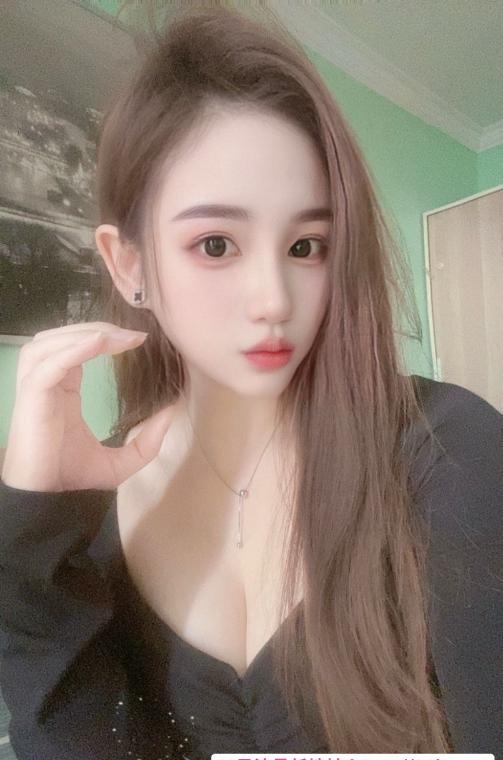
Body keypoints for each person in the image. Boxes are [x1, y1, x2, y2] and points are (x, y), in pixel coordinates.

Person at [0, 4, 501, 759]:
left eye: (305, 246)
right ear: (130, 264)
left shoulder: (448, 450)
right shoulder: (95, 506)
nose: (274, 299)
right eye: (215, 244)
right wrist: (36, 531)